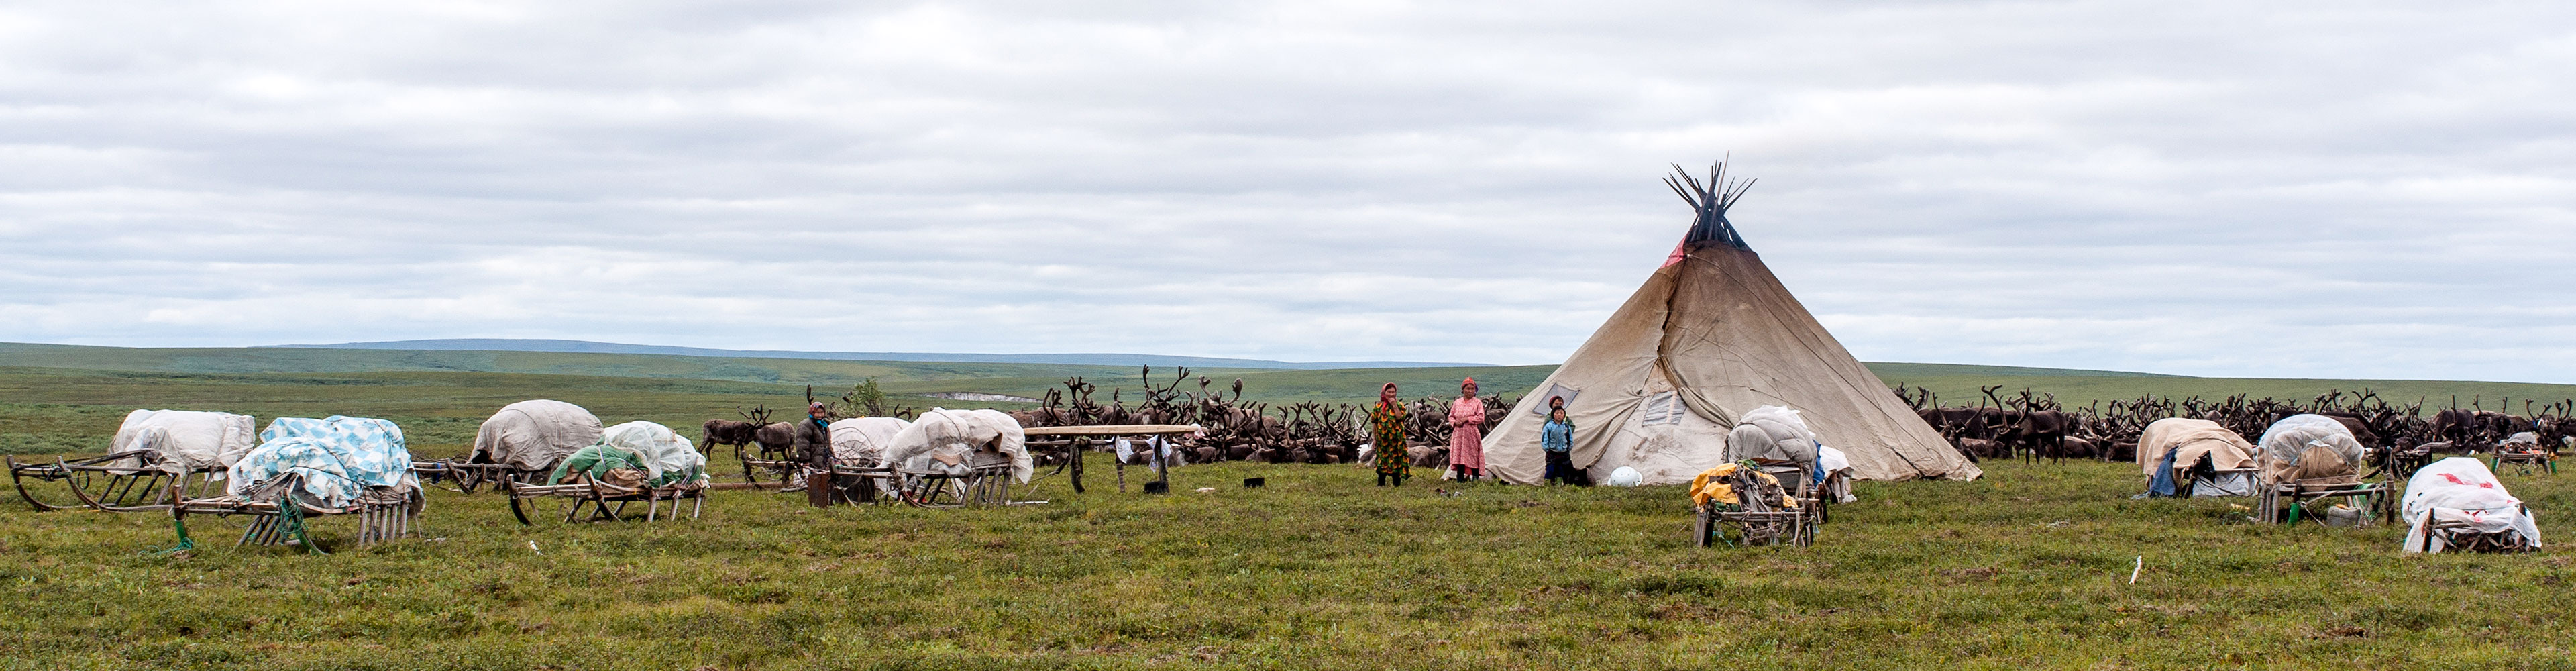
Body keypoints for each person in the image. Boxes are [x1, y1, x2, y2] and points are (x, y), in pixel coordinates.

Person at [792, 402, 835, 507]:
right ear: (812, 412)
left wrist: (832, 453)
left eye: (822, 412)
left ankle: (827, 498)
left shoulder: (824, 425)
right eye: (817, 413)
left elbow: (827, 441)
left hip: (825, 455)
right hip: (815, 456)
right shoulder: (806, 425)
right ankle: (817, 500)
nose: (820, 415)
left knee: (827, 476)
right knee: (816, 476)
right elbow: (802, 444)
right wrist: (805, 460)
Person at [1447, 378, 1487, 482]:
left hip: (1471, 434)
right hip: (1458, 434)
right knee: (1459, 456)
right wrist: (1455, 422)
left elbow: (1481, 417)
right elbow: (1451, 416)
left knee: (1472, 455)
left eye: (1472, 389)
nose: (1470, 391)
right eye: (1468, 389)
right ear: (1463, 390)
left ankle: (1475, 478)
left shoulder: (1477, 403)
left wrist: (1467, 419)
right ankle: (1460, 479)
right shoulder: (1457, 402)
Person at [1370, 382, 1409, 486]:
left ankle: (1396, 483)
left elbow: (1400, 418)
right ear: (1384, 393)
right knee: (1382, 460)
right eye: (1389, 392)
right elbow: (1374, 423)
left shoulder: (1400, 406)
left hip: (1397, 440)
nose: (1391, 394)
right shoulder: (1378, 407)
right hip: (1382, 439)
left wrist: (1394, 405)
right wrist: (1374, 439)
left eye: (1393, 392)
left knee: (1396, 460)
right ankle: (1381, 483)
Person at [1541, 398, 1578, 486]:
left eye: (1561, 413)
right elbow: (1544, 435)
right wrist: (1546, 447)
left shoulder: (1566, 426)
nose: (1559, 415)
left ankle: (1559, 486)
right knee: (1550, 469)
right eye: (1557, 413)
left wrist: (1569, 446)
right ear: (1553, 414)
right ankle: (1547, 485)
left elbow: (1570, 435)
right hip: (1552, 451)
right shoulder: (1549, 425)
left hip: (1563, 451)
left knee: (1561, 470)